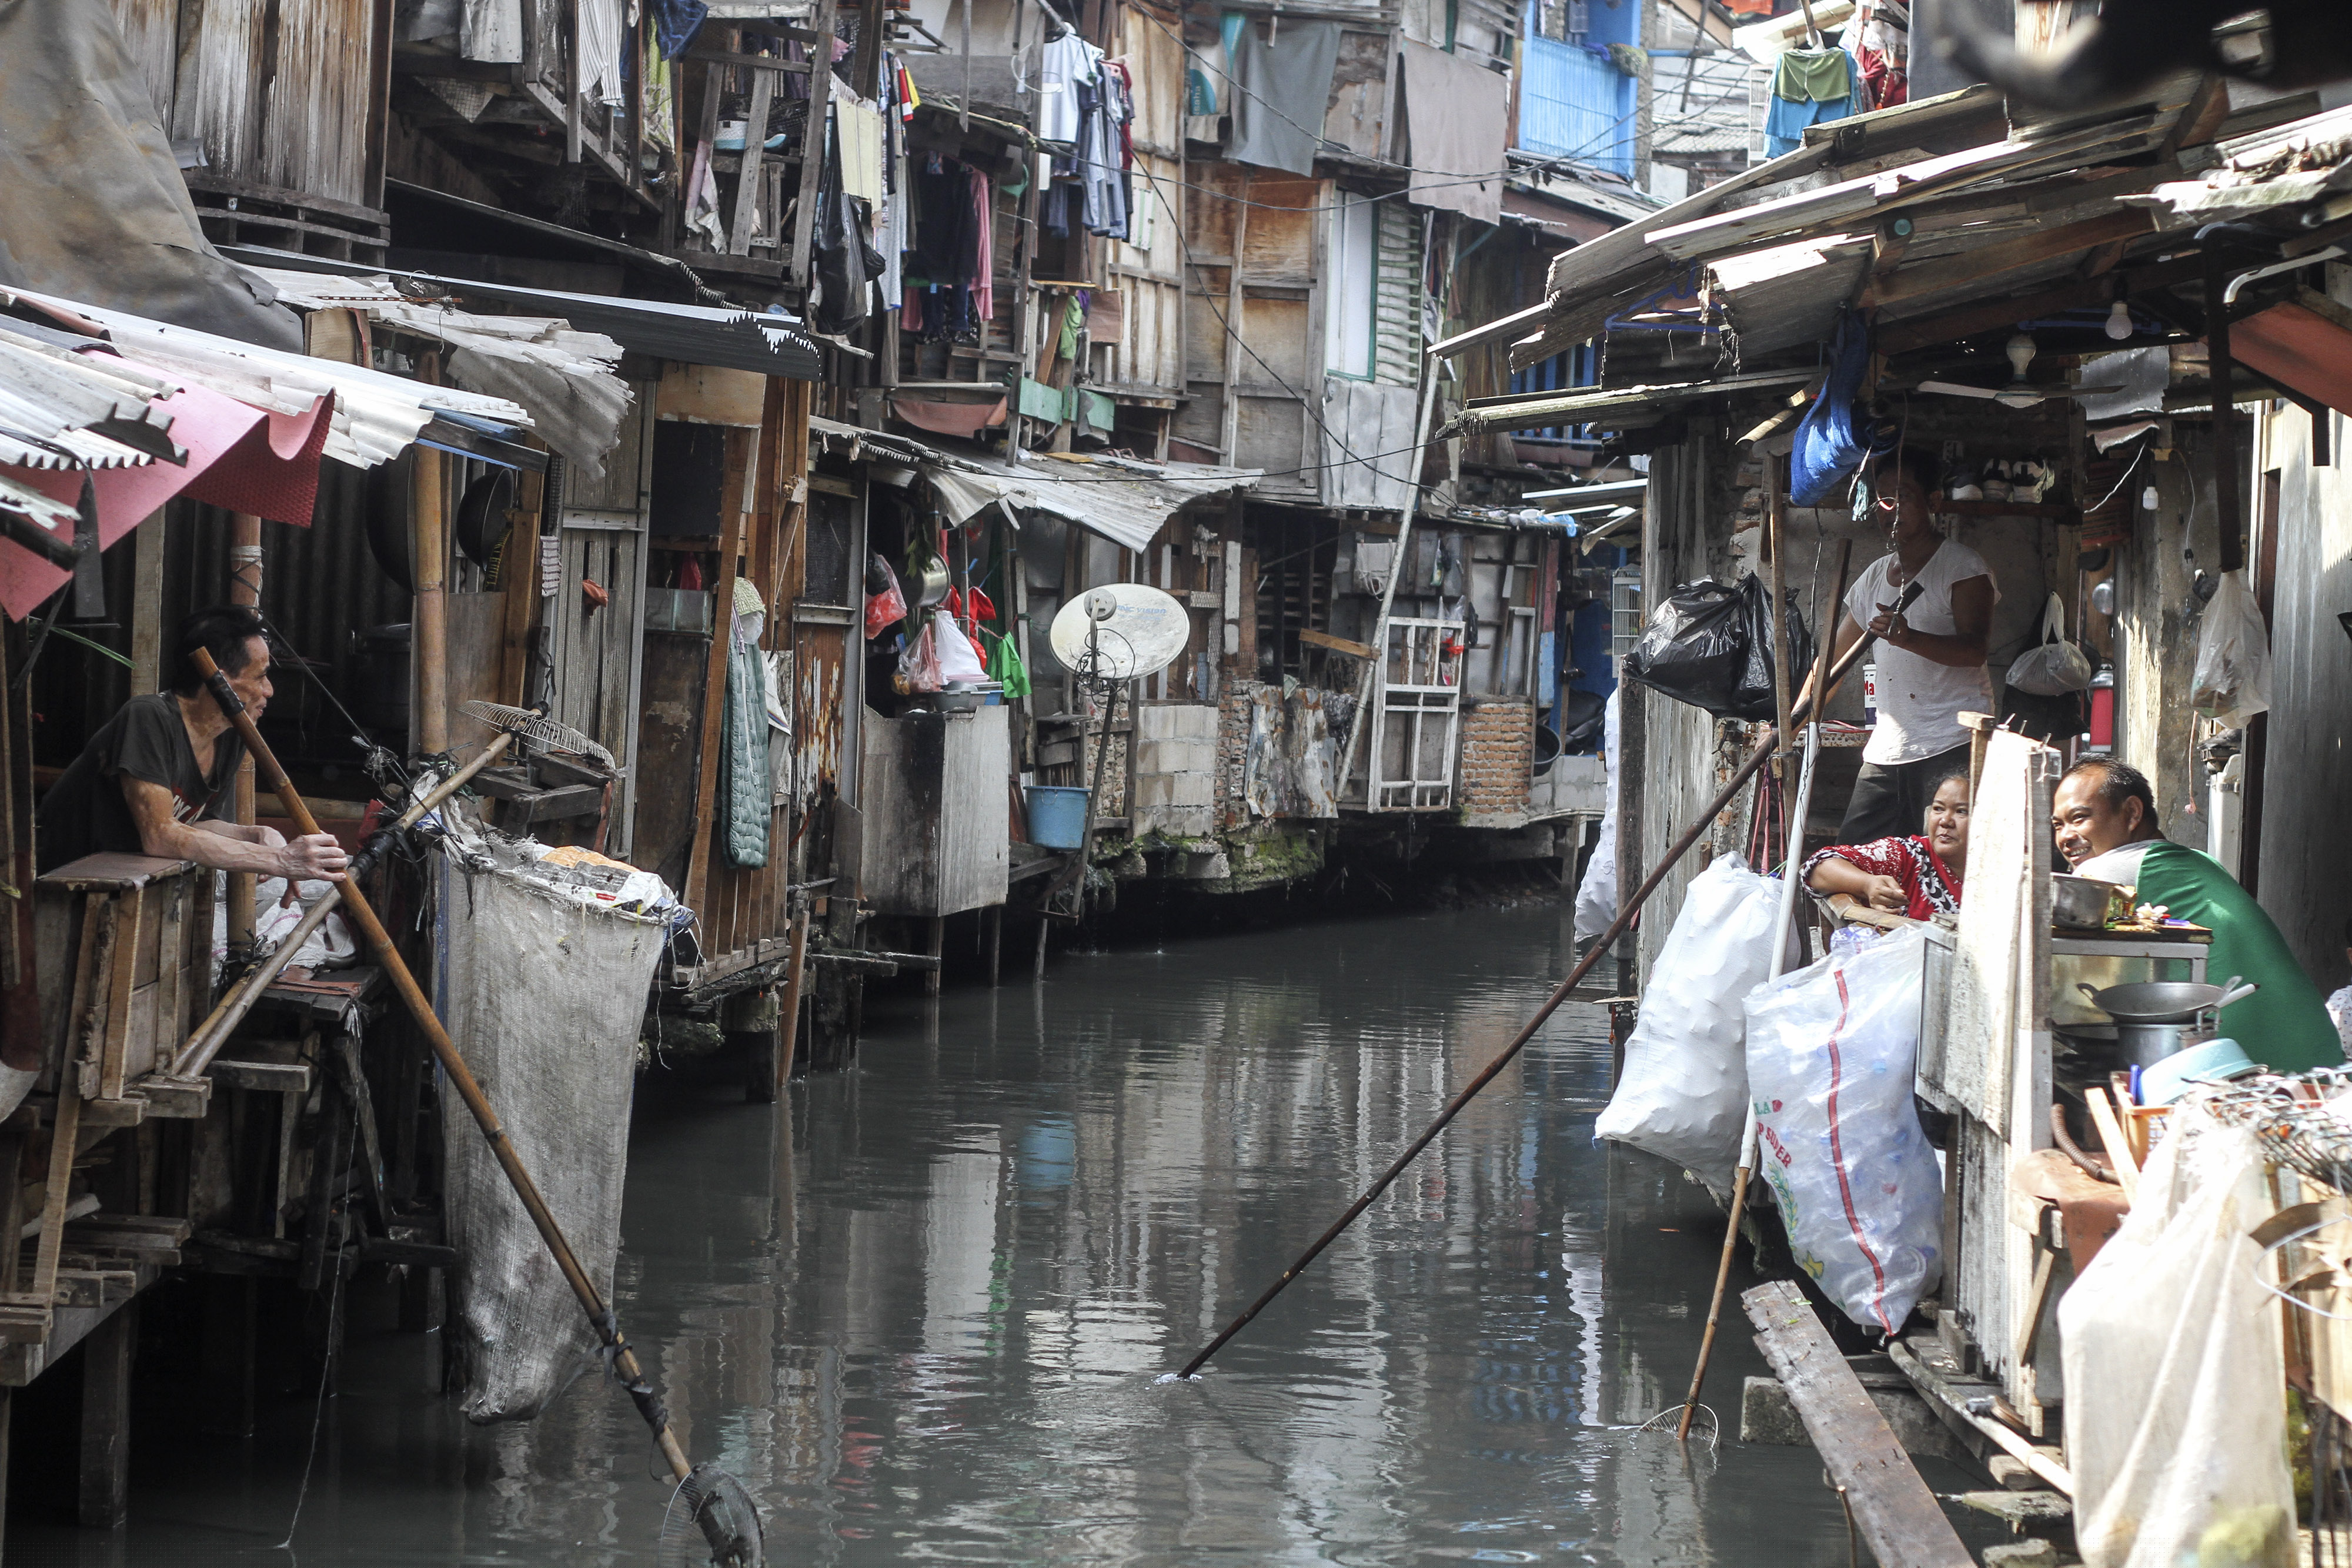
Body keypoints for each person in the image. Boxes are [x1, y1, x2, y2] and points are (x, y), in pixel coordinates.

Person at [2051, 757, 2338, 1072]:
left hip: (2260, 1071)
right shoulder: (2197, 860)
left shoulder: (2108, 870)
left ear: (2132, 813)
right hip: (2319, 1056)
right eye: (2058, 825)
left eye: (2079, 818)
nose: (2066, 837)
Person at [36, 606, 349, 882]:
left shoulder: (232, 735)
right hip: (57, 880)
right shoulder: (149, 717)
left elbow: (196, 823)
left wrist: (257, 835)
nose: (269, 690)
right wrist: (279, 860)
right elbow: (160, 834)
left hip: (123, 884)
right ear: (221, 681)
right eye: (260, 677)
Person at [1805, 447, 1998, 844]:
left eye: (1903, 497)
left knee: (1944, 862)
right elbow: (1831, 662)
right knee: (1850, 855)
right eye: (1882, 499)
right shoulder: (1876, 577)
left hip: (1951, 743)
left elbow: (1974, 650)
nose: (1890, 510)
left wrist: (1910, 639)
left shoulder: (1963, 568)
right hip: (1888, 749)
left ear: (1933, 502)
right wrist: (1791, 722)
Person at [1803, 770, 1970, 921]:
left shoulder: (1987, 875)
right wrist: (1867, 884)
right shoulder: (1910, 855)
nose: (1945, 821)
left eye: (1962, 811)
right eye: (1939, 809)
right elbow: (1818, 867)